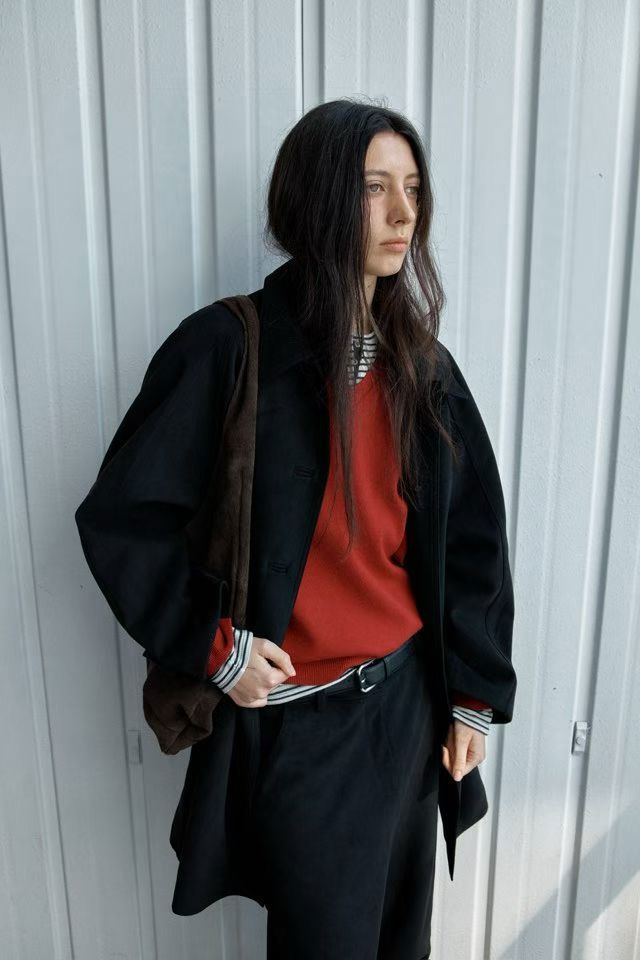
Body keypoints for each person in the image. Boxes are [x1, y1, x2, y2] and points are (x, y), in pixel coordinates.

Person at [75, 97, 516, 959]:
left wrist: (474, 694)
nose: (403, 214)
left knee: (401, 945)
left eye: (413, 189)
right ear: (317, 199)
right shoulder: (228, 350)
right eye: (374, 188)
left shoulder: (420, 366)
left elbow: (474, 541)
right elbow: (123, 521)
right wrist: (217, 649)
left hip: (409, 709)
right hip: (305, 727)